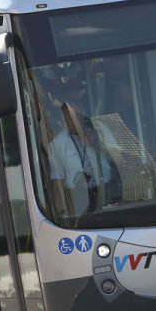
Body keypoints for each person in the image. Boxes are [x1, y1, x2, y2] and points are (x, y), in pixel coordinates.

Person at [48, 72, 116, 215]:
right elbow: (57, 181)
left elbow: (118, 160)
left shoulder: (101, 129)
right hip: (78, 199)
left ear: (83, 111)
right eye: (66, 112)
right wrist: (62, 213)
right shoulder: (57, 144)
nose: (70, 116)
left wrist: (97, 145)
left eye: (74, 110)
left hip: (108, 193)